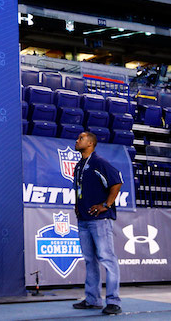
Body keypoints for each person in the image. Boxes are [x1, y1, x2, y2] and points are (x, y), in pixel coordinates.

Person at [72, 132, 123, 315]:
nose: (77, 141)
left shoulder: (99, 162)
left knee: (107, 258)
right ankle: (93, 299)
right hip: (84, 220)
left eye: (81, 138)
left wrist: (106, 205)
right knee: (89, 260)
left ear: (91, 143)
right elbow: (79, 190)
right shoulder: (79, 166)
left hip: (100, 220)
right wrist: (78, 206)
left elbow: (117, 181)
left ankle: (113, 301)